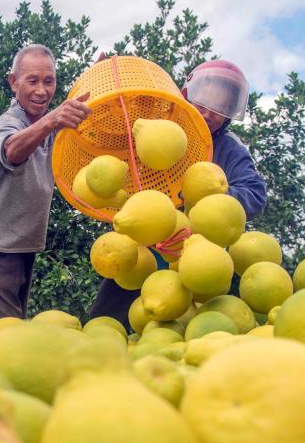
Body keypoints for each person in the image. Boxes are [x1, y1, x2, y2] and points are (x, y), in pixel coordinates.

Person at [88, 58, 268, 328]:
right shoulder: (155, 124)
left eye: (221, 107)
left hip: (196, 261)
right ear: (186, 94)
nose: (209, 113)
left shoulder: (229, 148)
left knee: (190, 330)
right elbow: (109, 136)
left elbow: (255, 195)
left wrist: (205, 198)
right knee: (107, 324)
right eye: (204, 101)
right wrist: (105, 91)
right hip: (138, 248)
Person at [0, 44, 91, 319]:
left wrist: (99, 78)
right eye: (32, 80)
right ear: (14, 82)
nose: (41, 90)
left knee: (13, 326)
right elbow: (12, 151)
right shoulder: (7, 122)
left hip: (24, 245)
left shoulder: (50, 124)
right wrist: (52, 119)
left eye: (49, 81)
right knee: (5, 335)